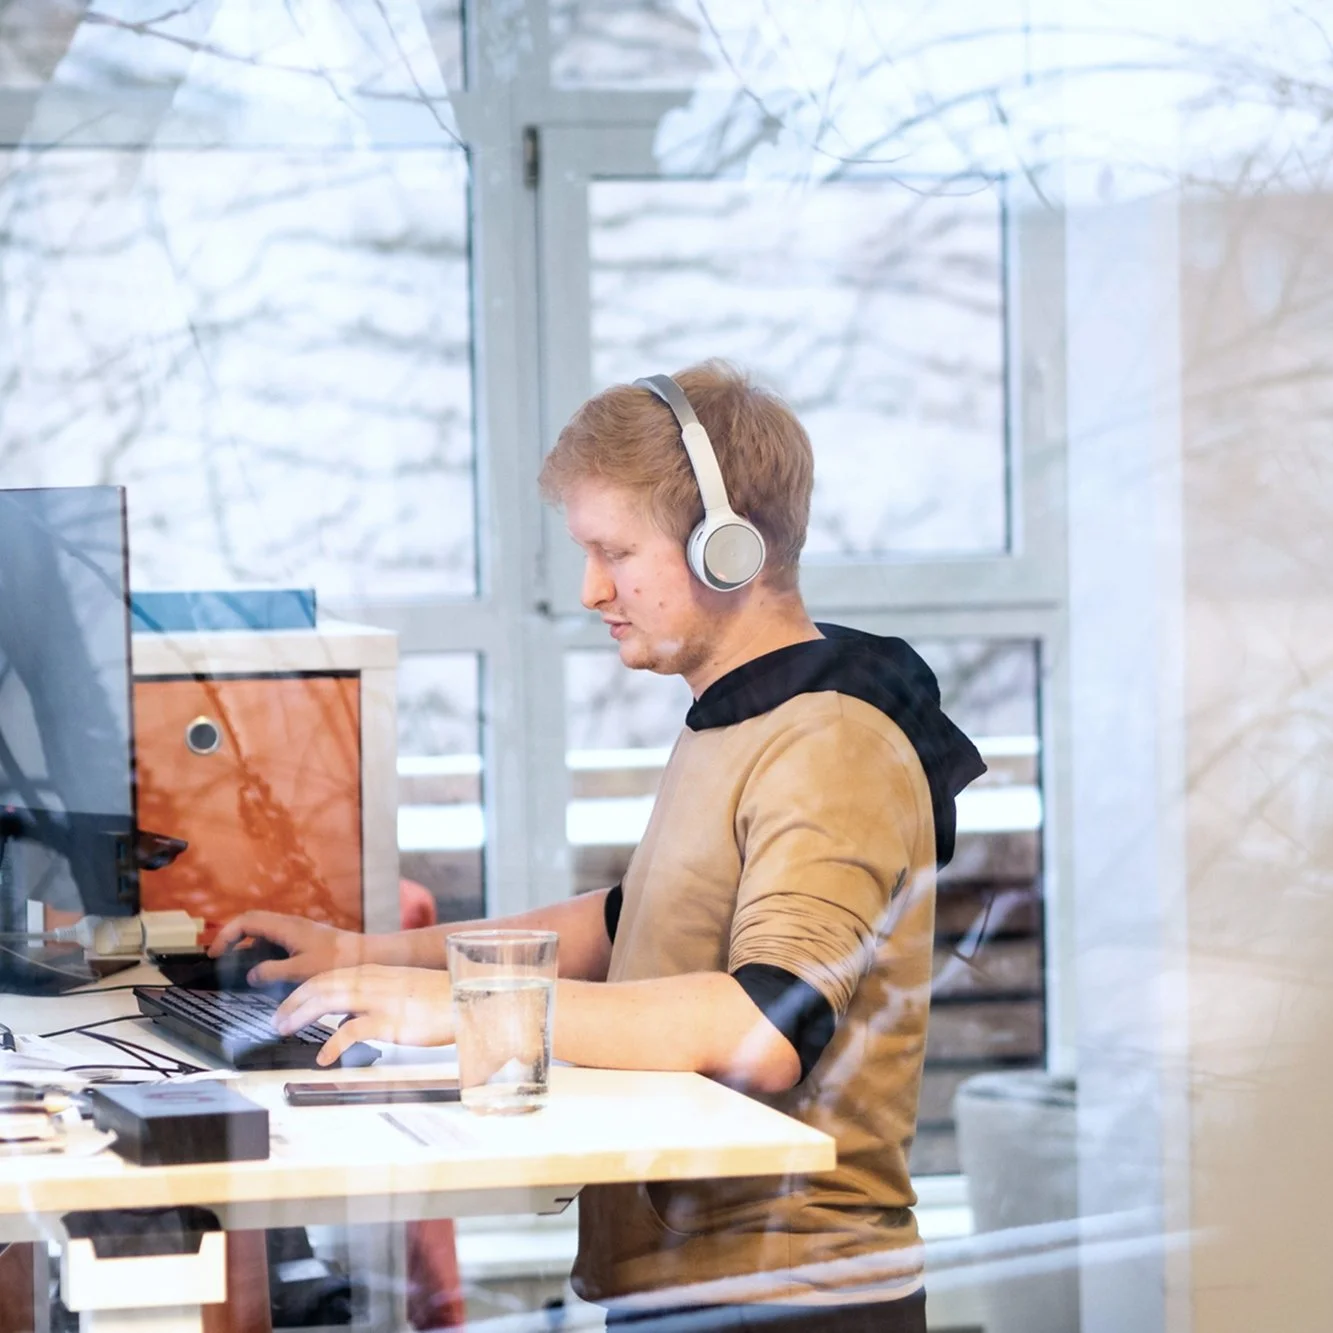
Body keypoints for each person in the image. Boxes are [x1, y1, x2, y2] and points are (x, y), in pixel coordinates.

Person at [213, 361, 985, 1330]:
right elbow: (627, 923)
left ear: (726, 550)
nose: (588, 590)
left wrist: (462, 1008)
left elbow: (766, 1023)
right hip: (698, 1287)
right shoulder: (739, 720)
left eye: (613, 552)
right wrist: (362, 955)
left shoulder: (828, 741)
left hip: (785, 1299)